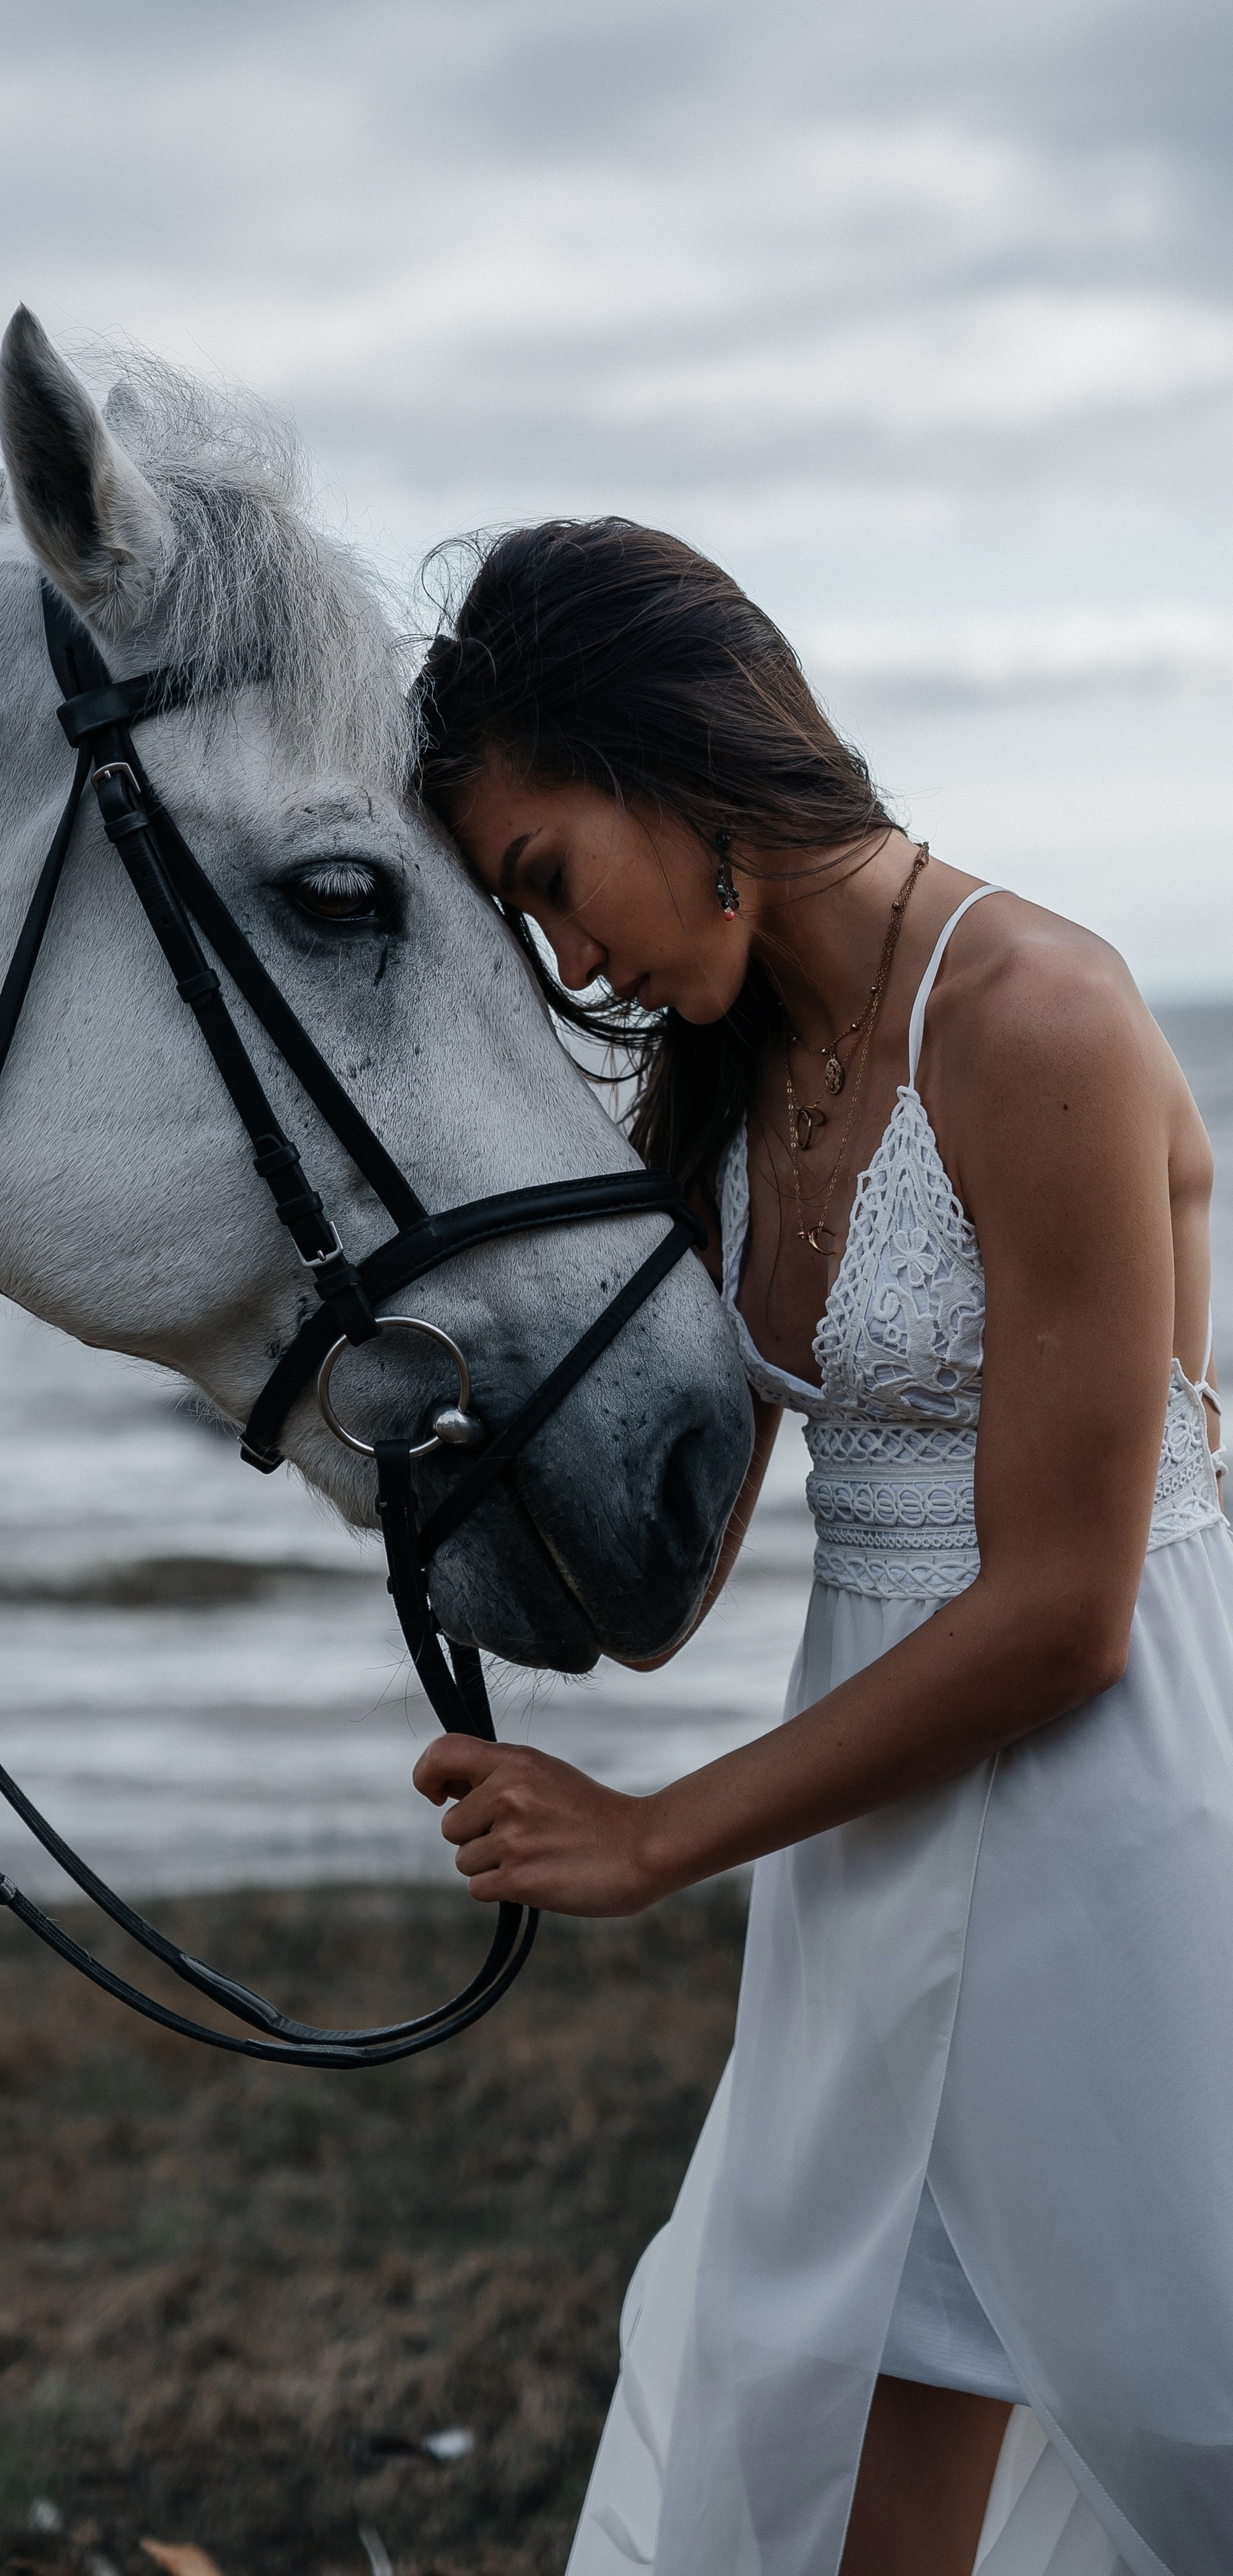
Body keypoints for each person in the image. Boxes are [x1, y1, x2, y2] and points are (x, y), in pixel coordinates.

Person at [410, 520, 1230, 2576]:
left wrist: (656, 1836)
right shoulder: (743, 1077)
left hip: (1109, 1833)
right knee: (817, 2417)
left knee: (1181, 2396)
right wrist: (430, 1470)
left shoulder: (1036, 1011)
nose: (564, 959)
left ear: (676, 763)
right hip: (875, 1849)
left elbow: (1062, 1613)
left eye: (546, 880)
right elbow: (676, 1583)